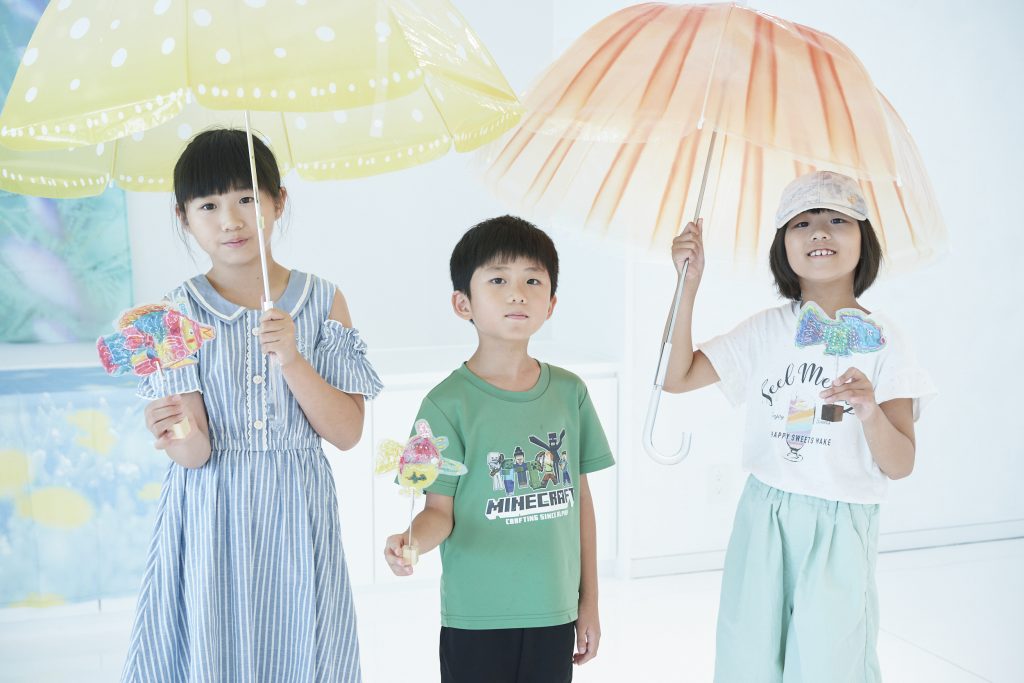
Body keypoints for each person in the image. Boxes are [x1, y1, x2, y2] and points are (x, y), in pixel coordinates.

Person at [121, 129, 382, 682]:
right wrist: (174, 428)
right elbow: (195, 455)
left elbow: (347, 432)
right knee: (217, 651)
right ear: (183, 216)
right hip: (213, 510)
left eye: (246, 198)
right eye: (209, 205)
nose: (230, 220)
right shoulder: (175, 313)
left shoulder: (323, 299)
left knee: (299, 646)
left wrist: (292, 358)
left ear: (277, 201)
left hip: (294, 507)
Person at [663, 171, 935, 682]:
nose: (819, 232)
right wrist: (687, 286)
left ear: (864, 241)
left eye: (838, 220)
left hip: (841, 523)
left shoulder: (887, 340)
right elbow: (675, 377)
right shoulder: (766, 329)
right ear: (782, 244)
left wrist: (869, 408)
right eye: (802, 222)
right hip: (763, 513)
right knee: (749, 654)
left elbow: (900, 465)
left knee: (830, 662)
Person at [384, 216, 615, 683]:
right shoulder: (445, 403)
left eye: (533, 280)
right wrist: (413, 541)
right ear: (462, 303)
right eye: (498, 279)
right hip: (477, 617)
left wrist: (588, 603)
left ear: (550, 304)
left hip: (553, 612)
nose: (517, 293)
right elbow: (438, 512)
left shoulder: (570, 393)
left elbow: (580, 503)